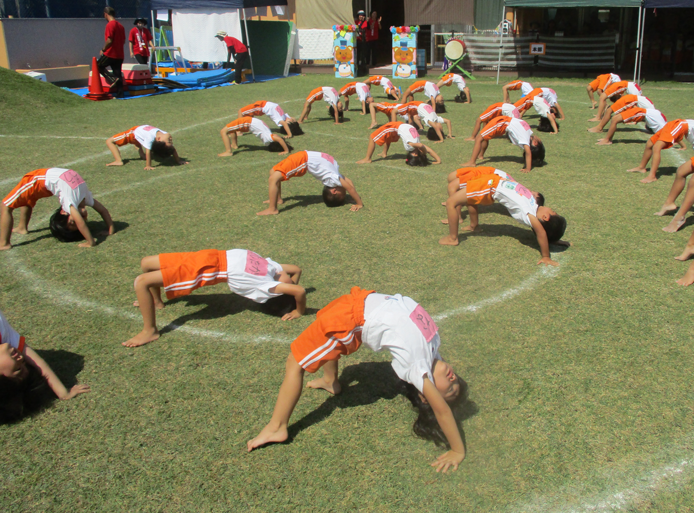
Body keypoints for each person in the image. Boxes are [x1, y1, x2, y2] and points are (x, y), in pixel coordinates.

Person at [246, 286, 469, 474]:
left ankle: (277, 427)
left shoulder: (417, 368)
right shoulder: (433, 348)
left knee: (295, 362)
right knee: (322, 319)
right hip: (359, 300)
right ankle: (330, 380)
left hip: (352, 318)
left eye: (450, 389)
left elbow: (442, 412)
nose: (453, 380)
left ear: (426, 396)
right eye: (457, 381)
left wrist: (457, 450)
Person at [124, 249, 306, 347]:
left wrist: (299, 311)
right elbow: (297, 268)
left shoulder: (266, 285)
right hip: (210, 255)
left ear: (276, 294)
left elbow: (300, 291)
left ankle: (150, 331)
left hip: (209, 269)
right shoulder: (273, 268)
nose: (290, 279)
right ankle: (156, 302)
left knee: (141, 282)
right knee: (146, 263)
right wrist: (289, 281)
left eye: (288, 284)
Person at [439, 176, 567, 261]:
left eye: (553, 211)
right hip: (492, 181)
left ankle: (453, 238)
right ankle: (474, 226)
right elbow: (544, 233)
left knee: (451, 202)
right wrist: (554, 239)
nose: (551, 208)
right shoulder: (534, 204)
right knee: (468, 199)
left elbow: (541, 232)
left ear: (546, 217)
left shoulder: (529, 213)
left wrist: (546, 256)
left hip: (488, 186)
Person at [0, 309, 90, 423]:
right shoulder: (4, 337)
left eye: (18, 369)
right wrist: (63, 393)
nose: (21, 358)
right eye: (23, 364)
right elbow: (37, 362)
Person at [1, 168, 114, 250]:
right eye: (80, 221)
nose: (80, 219)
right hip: (42, 180)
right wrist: (110, 230)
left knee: (6, 206)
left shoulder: (69, 203)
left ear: (63, 211)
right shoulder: (85, 199)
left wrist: (91, 242)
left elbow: (82, 220)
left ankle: (4, 243)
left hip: (39, 180)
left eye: (73, 221)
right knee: (27, 198)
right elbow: (103, 210)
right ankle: (21, 227)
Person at [258, 151, 363, 215]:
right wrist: (358, 202)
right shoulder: (334, 177)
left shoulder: (332, 179)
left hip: (303, 159)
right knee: (273, 174)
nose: (345, 189)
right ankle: (277, 200)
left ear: (334, 191)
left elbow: (349, 186)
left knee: (273, 177)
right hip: (303, 157)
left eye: (343, 193)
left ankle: (273, 209)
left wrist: (355, 200)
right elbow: (350, 186)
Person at [627, 119, 694, 184]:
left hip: (678, 124)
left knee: (656, 147)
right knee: (650, 143)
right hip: (676, 124)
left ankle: (652, 176)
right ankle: (642, 167)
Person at [462, 116, 546, 173]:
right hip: (503, 122)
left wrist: (528, 168)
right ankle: (476, 159)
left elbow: (528, 152)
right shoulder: (527, 134)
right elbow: (528, 152)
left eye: (539, 142)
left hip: (503, 122)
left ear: (535, 143)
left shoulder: (526, 136)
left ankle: (472, 161)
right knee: (481, 137)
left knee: (479, 138)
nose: (539, 139)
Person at [357, 121, 441, 166]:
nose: (416, 153)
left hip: (396, 126)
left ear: (412, 155)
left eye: (415, 154)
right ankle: (384, 153)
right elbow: (428, 150)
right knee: (387, 136)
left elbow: (422, 146)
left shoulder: (410, 147)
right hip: (402, 126)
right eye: (418, 154)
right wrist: (438, 160)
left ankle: (368, 158)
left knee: (372, 137)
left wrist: (423, 152)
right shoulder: (416, 146)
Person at [105, 125, 186, 170]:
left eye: (169, 140)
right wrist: (178, 160)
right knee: (139, 143)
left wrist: (148, 165)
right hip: (139, 133)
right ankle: (141, 152)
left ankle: (118, 161)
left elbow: (148, 151)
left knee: (109, 141)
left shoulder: (150, 138)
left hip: (132, 133)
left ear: (159, 139)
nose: (171, 139)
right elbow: (173, 149)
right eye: (170, 140)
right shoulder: (163, 134)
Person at [595, 106, 667, 146]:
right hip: (645, 112)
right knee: (614, 119)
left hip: (646, 112)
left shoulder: (663, 127)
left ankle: (607, 140)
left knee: (614, 119)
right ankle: (607, 139)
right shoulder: (664, 128)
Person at [219, 117, 290, 157]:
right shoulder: (269, 134)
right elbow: (279, 139)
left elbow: (280, 139)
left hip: (247, 122)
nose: (277, 135)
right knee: (232, 129)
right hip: (249, 121)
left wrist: (286, 150)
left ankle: (228, 152)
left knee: (223, 131)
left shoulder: (268, 138)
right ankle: (234, 145)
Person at [587, 94, 654, 133]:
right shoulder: (650, 115)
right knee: (609, 110)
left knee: (609, 110)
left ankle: (599, 128)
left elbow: (635, 109)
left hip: (632, 99)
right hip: (631, 99)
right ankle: (599, 128)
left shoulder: (651, 113)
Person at [97, 6, 125, 97]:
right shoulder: (121, 26)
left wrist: (103, 49)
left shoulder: (110, 25)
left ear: (106, 14)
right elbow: (123, 41)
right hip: (120, 54)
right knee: (118, 72)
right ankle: (120, 94)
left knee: (98, 65)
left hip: (110, 53)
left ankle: (112, 79)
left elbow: (109, 40)